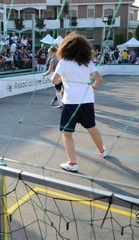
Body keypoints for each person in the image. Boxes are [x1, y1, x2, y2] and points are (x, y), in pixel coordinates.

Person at [51, 32, 107, 173]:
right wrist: (93, 86)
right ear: (85, 48)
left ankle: (73, 163)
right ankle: (102, 150)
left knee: (67, 133)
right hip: (87, 100)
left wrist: (64, 80)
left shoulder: (63, 62)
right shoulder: (87, 63)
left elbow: (54, 80)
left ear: (65, 47)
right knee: (92, 127)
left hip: (71, 102)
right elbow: (99, 79)